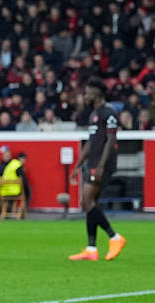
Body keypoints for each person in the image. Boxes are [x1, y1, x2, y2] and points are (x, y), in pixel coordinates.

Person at [69, 77, 126, 261]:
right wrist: (77, 165)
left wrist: (101, 165)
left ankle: (114, 237)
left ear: (96, 93)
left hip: (103, 164)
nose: (85, 96)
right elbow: (91, 142)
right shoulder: (94, 113)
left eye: (87, 92)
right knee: (91, 203)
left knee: (86, 202)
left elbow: (111, 140)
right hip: (93, 163)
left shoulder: (109, 113)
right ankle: (91, 249)